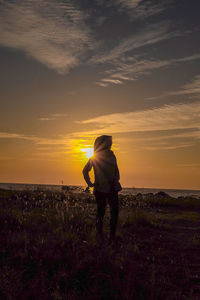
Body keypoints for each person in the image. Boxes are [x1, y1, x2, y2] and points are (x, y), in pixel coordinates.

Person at [82, 135, 122, 242]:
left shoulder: (98, 157)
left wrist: (89, 183)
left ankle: (107, 235)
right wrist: (90, 182)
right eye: (109, 142)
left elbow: (85, 171)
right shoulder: (105, 157)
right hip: (106, 189)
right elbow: (116, 172)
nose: (110, 144)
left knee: (105, 212)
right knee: (108, 212)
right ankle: (107, 236)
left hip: (105, 189)